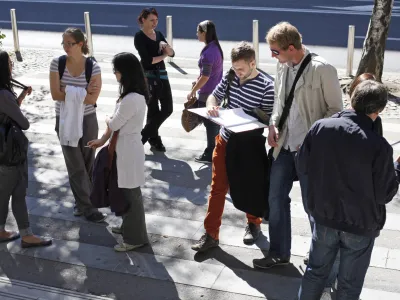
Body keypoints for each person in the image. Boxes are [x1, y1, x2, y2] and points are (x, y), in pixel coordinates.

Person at [296, 80, 398, 300]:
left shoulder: (321, 127)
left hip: (324, 216)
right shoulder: (379, 147)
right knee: (349, 286)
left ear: (351, 100)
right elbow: (385, 194)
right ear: (378, 111)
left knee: (315, 273)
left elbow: (302, 165)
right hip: (360, 225)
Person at [253, 22, 343, 269]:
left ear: (291, 47)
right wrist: (272, 125)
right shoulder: (282, 66)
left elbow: (336, 111)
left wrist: (312, 138)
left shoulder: (322, 69)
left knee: (312, 205)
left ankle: (320, 257)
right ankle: (279, 253)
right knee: (276, 198)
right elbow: (279, 104)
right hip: (283, 145)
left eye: (275, 51)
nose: (273, 56)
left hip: (311, 150)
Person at [191, 42, 275, 252]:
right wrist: (211, 106)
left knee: (250, 185)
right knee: (217, 188)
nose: (237, 73)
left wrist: (253, 117)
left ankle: (253, 223)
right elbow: (214, 96)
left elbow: (270, 118)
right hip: (225, 139)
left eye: (241, 69)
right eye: (235, 68)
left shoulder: (267, 86)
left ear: (253, 63)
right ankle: (211, 234)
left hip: (248, 144)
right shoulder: (230, 76)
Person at [88, 52, 149, 252]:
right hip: (123, 148)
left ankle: (135, 238)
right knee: (124, 189)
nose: (115, 74)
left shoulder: (132, 99)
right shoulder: (130, 96)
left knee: (131, 193)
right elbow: (115, 126)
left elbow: (114, 123)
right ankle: (127, 228)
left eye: (116, 71)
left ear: (125, 73)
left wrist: (107, 118)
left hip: (128, 150)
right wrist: (102, 140)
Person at [49, 27, 106, 223]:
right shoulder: (57, 63)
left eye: (69, 43)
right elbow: (55, 95)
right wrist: (81, 90)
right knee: (75, 165)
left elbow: (92, 99)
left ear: (80, 44)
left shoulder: (93, 67)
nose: (65, 47)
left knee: (87, 162)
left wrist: (68, 89)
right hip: (64, 119)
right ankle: (89, 207)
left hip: (88, 119)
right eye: (63, 43)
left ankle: (80, 201)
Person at [0, 51, 52, 248]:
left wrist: (20, 97)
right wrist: (16, 101)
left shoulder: (3, 93)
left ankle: (2, 230)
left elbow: (7, 114)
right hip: (11, 152)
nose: (12, 66)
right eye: (10, 64)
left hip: (2, 150)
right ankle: (27, 235)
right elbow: (23, 123)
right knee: (18, 192)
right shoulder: (4, 94)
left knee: (3, 193)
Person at [134, 7, 175, 152]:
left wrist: (166, 47)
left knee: (168, 108)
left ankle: (143, 137)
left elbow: (172, 53)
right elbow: (147, 60)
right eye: (151, 20)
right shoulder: (139, 37)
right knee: (152, 109)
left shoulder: (158, 34)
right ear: (143, 20)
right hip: (147, 76)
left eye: (156, 20)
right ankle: (154, 139)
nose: (154, 23)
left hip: (162, 75)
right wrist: (164, 56)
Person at [187, 20, 223, 163]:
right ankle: (217, 151)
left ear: (204, 33)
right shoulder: (215, 48)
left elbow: (206, 76)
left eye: (198, 32)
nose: (196, 34)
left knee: (210, 124)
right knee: (214, 123)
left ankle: (210, 153)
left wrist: (193, 91)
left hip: (208, 93)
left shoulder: (208, 53)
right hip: (216, 91)